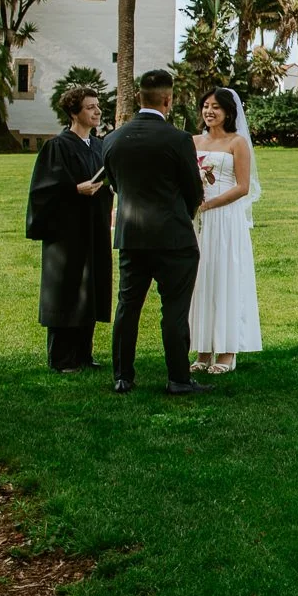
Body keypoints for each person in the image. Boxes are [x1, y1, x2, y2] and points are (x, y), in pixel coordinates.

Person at [100, 69, 209, 396]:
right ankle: (178, 378)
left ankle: (122, 376)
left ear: (138, 97)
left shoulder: (112, 140)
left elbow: (115, 184)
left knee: (127, 306)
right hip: (173, 237)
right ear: (168, 99)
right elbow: (193, 190)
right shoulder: (178, 139)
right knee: (174, 309)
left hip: (132, 235)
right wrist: (182, 214)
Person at [25, 86, 112, 372]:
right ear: (74, 113)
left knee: (89, 288)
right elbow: (43, 191)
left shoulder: (99, 146)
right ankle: (62, 358)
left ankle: (84, 354)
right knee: (67, 289)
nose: (97, 111)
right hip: (65, 231)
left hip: (93, 226)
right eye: (90, 107)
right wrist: (75, 189)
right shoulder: (57, 147)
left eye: (97, 106)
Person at [190, 87, 263, 373]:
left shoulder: (237, 143)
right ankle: (203, 348)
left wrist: (209, 204)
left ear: (228, 112)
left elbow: (243, 187)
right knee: (200, 279)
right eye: (206, 106)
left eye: (216, 107)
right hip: (198, 219)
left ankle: (227, 351)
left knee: (224, 277)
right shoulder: (194, 141)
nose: (209, 111)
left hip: (225, 218)